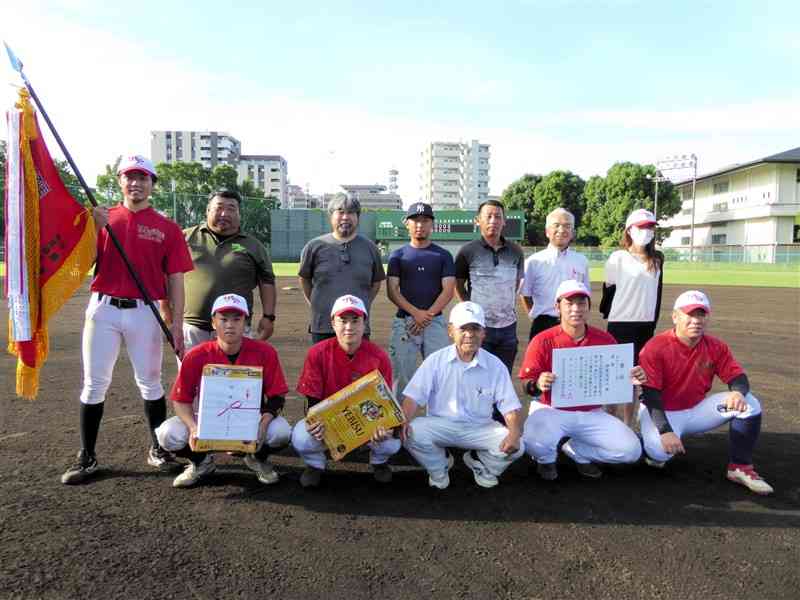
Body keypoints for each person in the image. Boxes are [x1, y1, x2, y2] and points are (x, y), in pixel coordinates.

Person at [61, 155, 194, 485]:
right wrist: (93, 226)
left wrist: (176, 323)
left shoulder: (167, 228)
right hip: (103, 308)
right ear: (119, 181)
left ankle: (157, 450)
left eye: (143, 177)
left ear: (152, 184)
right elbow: (79, 262)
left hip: (144, 312)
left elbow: (175, 279)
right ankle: (88, 456)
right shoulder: (103, 217)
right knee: (94, 383)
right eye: (129, 177)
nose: (136, 183)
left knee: (150, 381)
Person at [638, 290, 773, 495]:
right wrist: (665, 431)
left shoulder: (715, 346)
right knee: (659, 453)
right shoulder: (655, 347)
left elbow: (737, 377)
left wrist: (737, 392)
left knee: (749, 403)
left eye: (701, 315)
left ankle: (740, 467)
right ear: (675, 317)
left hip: (696, 410)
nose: (696, 320)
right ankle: (648, 446)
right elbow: (650, 395)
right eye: (690, 314)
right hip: (662, 411)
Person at [155, 293, 292, 488]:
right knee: (167, 434)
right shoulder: (196, 355)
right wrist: (193, 427)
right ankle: (201, 463)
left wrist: (263, 423)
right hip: (208, 418)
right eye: (224, 319)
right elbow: (181, 399)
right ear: (213, 322)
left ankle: (257, 459)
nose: (230, 324)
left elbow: (277, 396)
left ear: (245, 322)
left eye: (237, 319)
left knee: (281, 432)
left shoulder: (265, 352)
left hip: (251, 420)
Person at [518, 280, 645, 481]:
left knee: (631, 451)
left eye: (581, 303)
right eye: (569, 303)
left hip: (591, 412)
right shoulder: (542, 340)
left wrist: (632, 377)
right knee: (533, 443)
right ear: (557, 307)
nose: (576, 309)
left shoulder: (605, 339)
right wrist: (537, 384)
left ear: (588, 307)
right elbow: (526, 385)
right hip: (551, 409)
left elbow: (618, 380)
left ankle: (578, 451)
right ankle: (546, 459)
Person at [401, 301, 524, 489]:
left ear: (483, 332)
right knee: (411, 433)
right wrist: (403, 421)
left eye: (475, 328)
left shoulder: (495, 365)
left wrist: (514, 432)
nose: (469, 335)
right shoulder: (435, 361)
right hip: (442, 425)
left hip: (480, 428)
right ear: (451, 331)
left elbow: (509, 406)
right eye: (463, 329)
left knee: (518, 446)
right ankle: (438, 466)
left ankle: (481, 463)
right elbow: (413, 397)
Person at [291, 295, 400, 487]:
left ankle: (379, 462)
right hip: (329, 422)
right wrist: (314, 422)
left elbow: (385, 401)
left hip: (366, 422)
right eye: (343, 320)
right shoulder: (317, 353)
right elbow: (311, 397)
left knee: (391, 442)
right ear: (333, 323)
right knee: (301, 436)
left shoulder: (379, 357)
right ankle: (315, 465)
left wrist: (384, 427)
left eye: (355, 320)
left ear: (364, 324)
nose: (349, 327)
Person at [179, 188, 277, 352]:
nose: (224, 214)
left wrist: (269, 317)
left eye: (231, 209)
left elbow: (266, 282)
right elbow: (168, 275)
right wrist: (166, 311)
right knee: (191, 375)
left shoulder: (253, 246)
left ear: (239, 214)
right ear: (208, 210)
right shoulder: (185, 238)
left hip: (236, 327)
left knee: (236, 375)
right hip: (194, 328)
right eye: (219, 208)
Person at [599, 208, 664, 426]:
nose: (646, 231)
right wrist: (612, 315)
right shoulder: (618, 257)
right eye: (641, 227)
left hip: (645, 327)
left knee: (635, 378)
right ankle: (609, 420)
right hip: (621, 324)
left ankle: (627, 424)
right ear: (629, 230)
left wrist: (652, 323)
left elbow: (657, 293)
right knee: (616, 378)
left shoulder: (657, 260)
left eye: (650, 227)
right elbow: (609, 291)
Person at [386, 202, 455, 397]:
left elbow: (448, 290)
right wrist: (416, 314)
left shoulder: (443, 255)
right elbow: (392, 291)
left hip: (435, 322)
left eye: (425, 221)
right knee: (401, 376)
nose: (420, 225)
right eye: (415, 220)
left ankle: (439, 420)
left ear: (432, 224)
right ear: (407, 223)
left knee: (440, 374)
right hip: (405, 322)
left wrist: (426, 316)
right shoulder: (398, 256)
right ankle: (399, 425)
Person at [298, 195, 385, 343]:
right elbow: (304, 279)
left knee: (359, 367)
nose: (345, 217)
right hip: (323, 326)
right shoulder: (314, 247)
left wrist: (361, 304)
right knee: (323, 366)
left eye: (351, 212)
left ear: (357, 217)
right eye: (340, 211)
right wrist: (317, 304)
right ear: (331, 216)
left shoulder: (370, 248)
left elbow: (376, 283)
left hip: (358, 327)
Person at [454, 200, 524, 375]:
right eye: (489, 216)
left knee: (502, 376)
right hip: (479, 327)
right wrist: (470, 308)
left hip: (508, 328)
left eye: (498, 217)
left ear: (504, 222)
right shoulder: (467, 251)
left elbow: (515, 283)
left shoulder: (516, 251)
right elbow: (457, 284)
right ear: (478, 220)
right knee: (476, 375)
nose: (493, 221)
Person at [519, 208, 589, 342]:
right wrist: (534, 315)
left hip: (574, 325)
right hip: (543, 324)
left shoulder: (581, 261)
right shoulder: (534, 261)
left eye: (567, 226)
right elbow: (525, 294)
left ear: (572, 232)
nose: (562, 230)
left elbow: (585, 295)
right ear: (547, 231)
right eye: (556, 225)